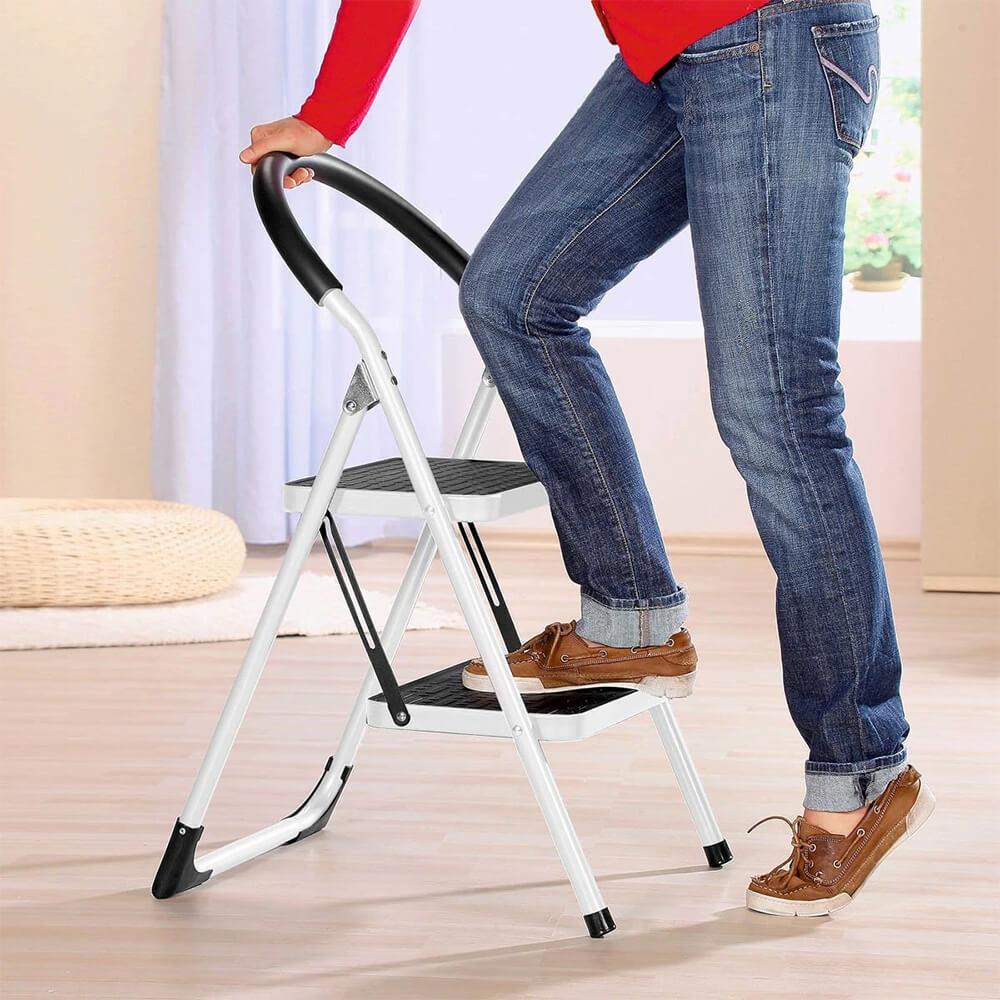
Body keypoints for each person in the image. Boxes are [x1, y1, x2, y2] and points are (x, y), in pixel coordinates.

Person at [240, 0, 933, 916]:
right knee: (512, 296)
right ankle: (631, 618)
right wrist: (329, 112)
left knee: (777, 412)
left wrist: (330, 109)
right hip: (670, 50)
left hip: (771, 33)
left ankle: (861, 768)